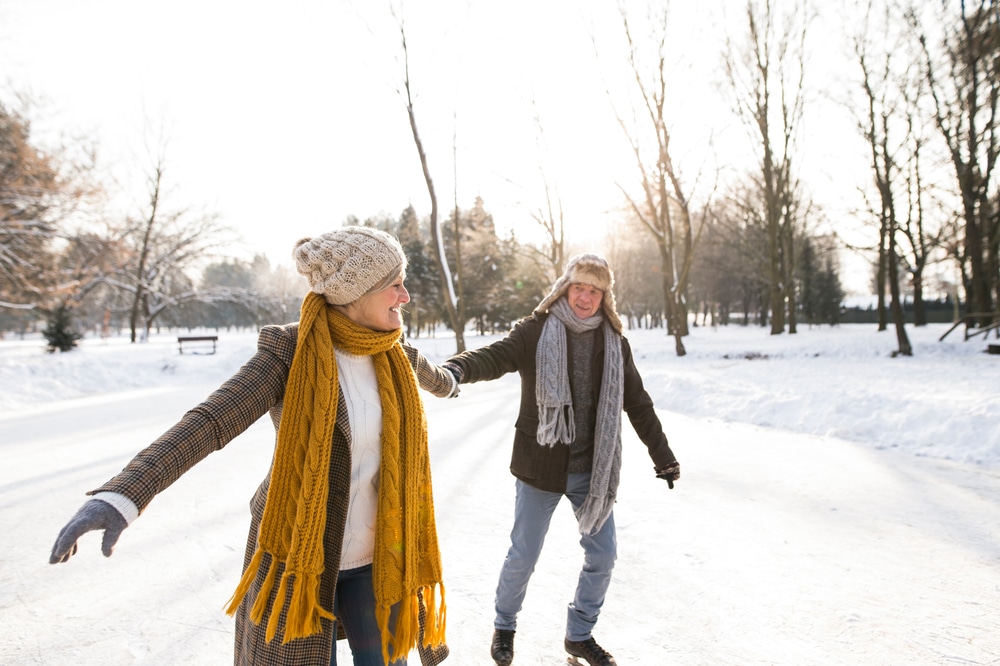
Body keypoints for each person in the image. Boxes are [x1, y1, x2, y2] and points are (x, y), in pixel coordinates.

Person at [49, 226, 458, 666]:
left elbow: (436, 378)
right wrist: (123, 494)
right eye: (394, 284)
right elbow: (209, 422)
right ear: (356, 292)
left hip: (383, 555)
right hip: (298, 554)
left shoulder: (397, 353)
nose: (406, 296)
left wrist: (454, 382)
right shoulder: (291, 352)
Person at [440, 253, 680, 666]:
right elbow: (495, 356)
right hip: (540, 466)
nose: (585, 297)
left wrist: (664, 457)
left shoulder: (615, 343)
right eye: (579, 287)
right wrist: (456, 369)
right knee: (524, 554)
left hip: (593, 472)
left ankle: (580, 634)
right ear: (564, 288)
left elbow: (637, 404)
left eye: (594, 290)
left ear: (604, 296)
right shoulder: (535, 332)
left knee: (603, 555)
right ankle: (505, 626)